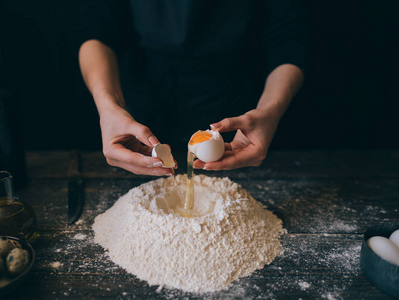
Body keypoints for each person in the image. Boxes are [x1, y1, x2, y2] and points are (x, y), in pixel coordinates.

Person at [77, 0, 310, 176]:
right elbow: (96, 29)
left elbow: (289, 38)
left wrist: (270, 109)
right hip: (142, 108)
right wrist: (108, 107)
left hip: (239, 114)